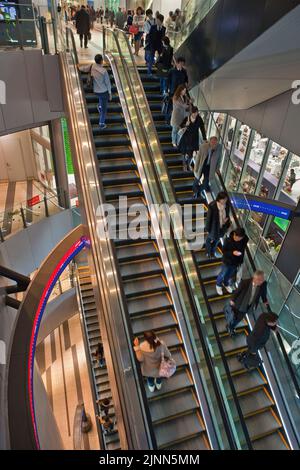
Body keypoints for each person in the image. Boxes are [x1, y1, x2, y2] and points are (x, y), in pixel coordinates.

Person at [225, 270, 269, 336]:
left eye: (262, 279)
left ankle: (231, 326)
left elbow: (263, 293)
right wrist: (232, 299)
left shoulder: (263, 284)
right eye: (259, 280)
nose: (261, 281)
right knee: (236, 317)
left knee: (239, 318)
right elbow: (237, 292)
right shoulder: (245, 282)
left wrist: (265, 301)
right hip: (240, 304)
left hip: (249, 306)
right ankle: (230, 326)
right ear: (254, 278)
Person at [80, 54, 112, 129]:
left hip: (96, 91)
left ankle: (100, 106)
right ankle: (101, 123)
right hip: (104, 91)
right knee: (104, 110)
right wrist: (110, 93)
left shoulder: (92, 66)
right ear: (101, 61)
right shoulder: (104, 71)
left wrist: (78, 67)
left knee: (101, 99)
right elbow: (108, 83)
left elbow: (84, 69)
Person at [216, 228, 249, 296]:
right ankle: (218, 285)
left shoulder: (244, 240)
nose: (236, 239)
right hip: (227, 261)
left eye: (239, 238)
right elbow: (224, 252)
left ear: (242, 237)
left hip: (236, 262)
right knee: (223, 273)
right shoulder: (228, 240)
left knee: (229, 274)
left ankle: (226, 284)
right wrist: (232, 253)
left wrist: (240, 258)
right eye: (235, 237)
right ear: (234, 234)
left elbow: (242, 249)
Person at [178, 106, 207, 171]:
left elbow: (202, 129)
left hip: (194, 138)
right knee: (183, 151)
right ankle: (184, 164)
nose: (195, 114)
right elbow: (180, 126)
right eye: (194, 113)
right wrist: (186, 124)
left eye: (196, 113)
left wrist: (204, 138)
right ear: (191, 113)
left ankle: (188, 164)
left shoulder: (199, 119)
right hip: (186, 137)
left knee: (191, 153)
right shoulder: (187, 118)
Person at [205, 191, 230, 259]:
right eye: (224, 199)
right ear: (219, 199)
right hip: (214, 227)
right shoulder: (212, 206)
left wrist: (226, 222)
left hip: (222, 227)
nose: (225, 201)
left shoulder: (226, 205)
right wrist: (207, 228)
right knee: (209, 239)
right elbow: (209, 218)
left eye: (226, 199)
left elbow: (227, 214)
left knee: (216, 241)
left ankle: (212, 252)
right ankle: (208, 252)